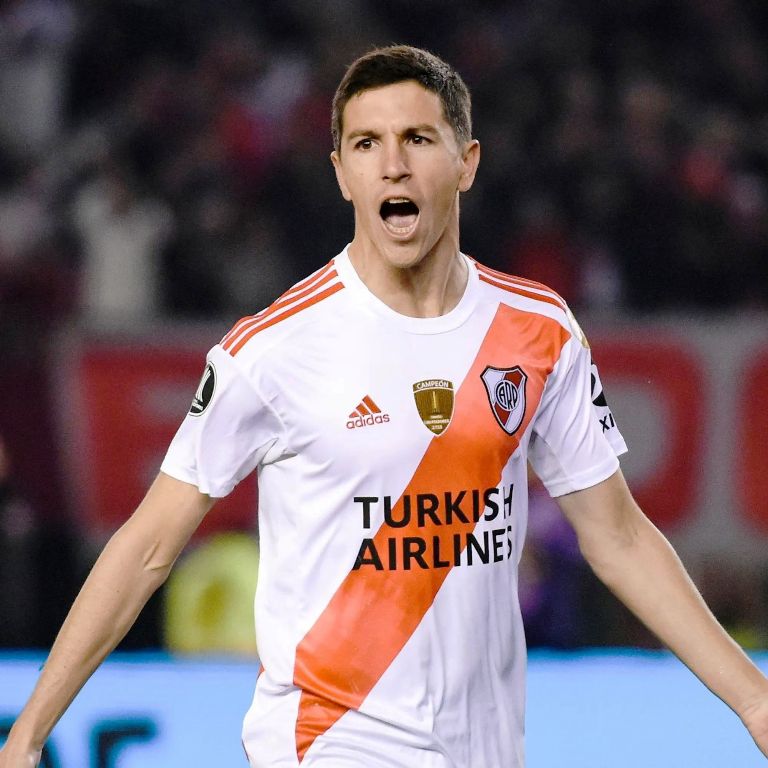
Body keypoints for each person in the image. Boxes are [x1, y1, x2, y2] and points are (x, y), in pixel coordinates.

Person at [1, 44, 767, 768]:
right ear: (341, 173)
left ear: (466, 163)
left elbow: (621, 540)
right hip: (328, 743)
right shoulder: (273, 349)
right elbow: (147, 545)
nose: (393, 164)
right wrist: (28, 733)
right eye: (366, 144)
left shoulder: (539, 333)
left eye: (418, 139)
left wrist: (754, 701)